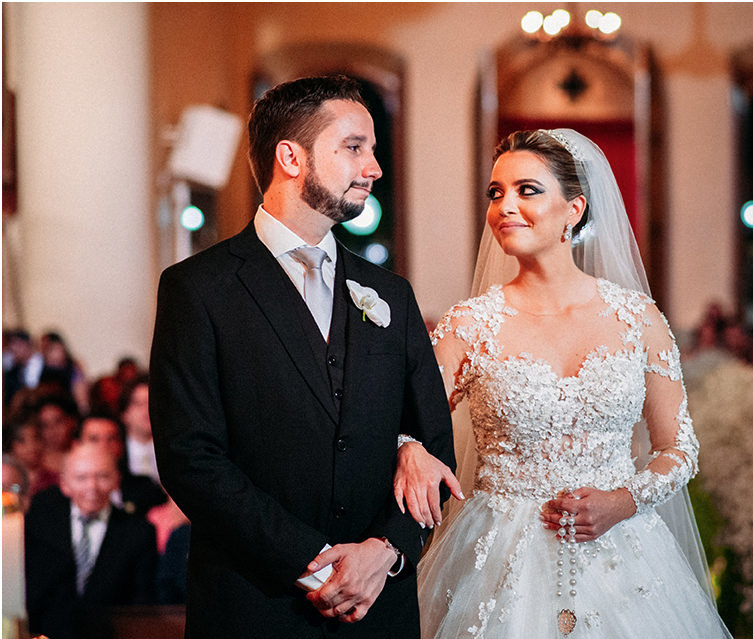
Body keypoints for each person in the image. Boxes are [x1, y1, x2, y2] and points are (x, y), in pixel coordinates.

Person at [149, 74, 456, 638]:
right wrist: (314, 562)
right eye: (353, 148)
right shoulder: (199, 289)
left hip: (376, 607)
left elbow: (434, 448)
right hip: (255, 605)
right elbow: (191, 458)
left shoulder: (390, 295)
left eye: (373, 150)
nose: (373, 168)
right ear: (290, 156)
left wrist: (383, 552)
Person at [397, 129, 731, 637]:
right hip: (498, 557)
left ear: (574, 209)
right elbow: (407, 431)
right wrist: (408, 447)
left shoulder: (638, 319)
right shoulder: (469, 327)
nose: (505, 206)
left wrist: (623, 500)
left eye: (527, 190)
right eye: (495, 193)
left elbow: (678, 449)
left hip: (623, 555)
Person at [24, 443, 157, 639]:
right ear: (64, 483)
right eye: (81, 477)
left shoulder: (138, 532)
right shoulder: (40, 523)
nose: (92, 486)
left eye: (102, 476)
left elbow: (141, 607)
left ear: (116, 480)